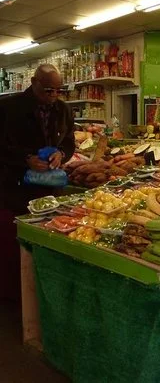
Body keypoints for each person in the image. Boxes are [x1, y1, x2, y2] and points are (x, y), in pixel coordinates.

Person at [0, 64, 74, 301]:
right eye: (48, 90)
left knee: (46, 243)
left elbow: (69, 141)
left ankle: (43, 293)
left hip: (51, 191)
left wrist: (61, 154)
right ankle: (17, 297)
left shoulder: (63, 109)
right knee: (17, 245)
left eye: (58, 91)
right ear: (34, 82)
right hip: (16, 191)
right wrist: (25, 159)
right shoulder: (8, 107)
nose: (53, 96)